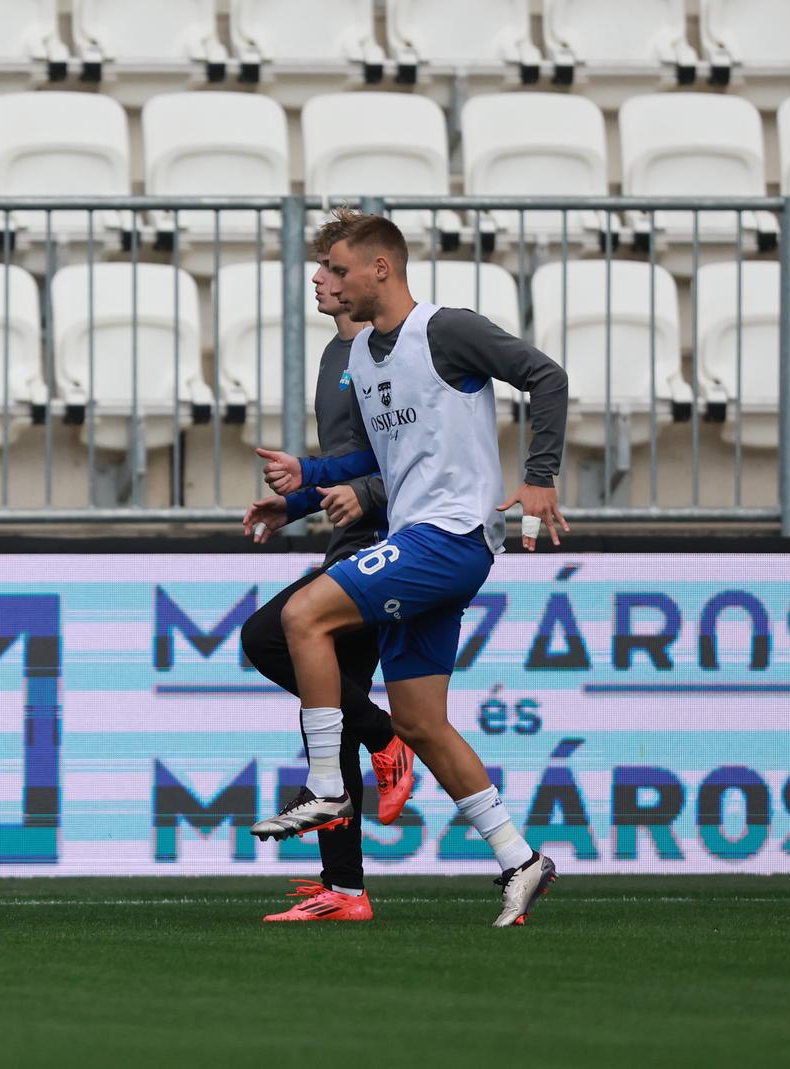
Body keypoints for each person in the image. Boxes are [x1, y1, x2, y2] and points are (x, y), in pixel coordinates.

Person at [258, 212, 571, 927]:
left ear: (379, 269)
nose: (323, 280)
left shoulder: (445, 329)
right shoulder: (364, 354)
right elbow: (376, 459)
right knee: (421, 722)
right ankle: (520, 860)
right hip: (421, 539)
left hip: (450, 536)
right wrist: (305, 480)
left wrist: (541, 474)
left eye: (336, 269)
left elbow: (544, 376)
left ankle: (327, 786)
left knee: (301, 618)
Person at [240, 208, 416, 924]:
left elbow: (414, 463)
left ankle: (385, 734)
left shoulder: (397, 354)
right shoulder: (335, 357)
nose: (318, 279)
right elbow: (354, 462)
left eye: (332, 269)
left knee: (268, 637)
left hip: (396, 547)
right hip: (350, 544)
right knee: (326, 717)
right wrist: (302, 505)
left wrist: (360, 494)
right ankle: (344, 887)